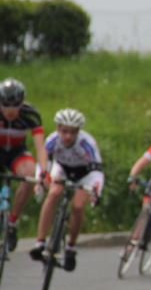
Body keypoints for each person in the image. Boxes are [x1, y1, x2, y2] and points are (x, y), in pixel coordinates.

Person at [28, 109, 104, 272]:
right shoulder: (53, 140)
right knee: (54, 193)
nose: (68, 136)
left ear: (78, 131)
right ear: (58, 129)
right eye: (64, 131)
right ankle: (40, 242)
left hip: (86, 174)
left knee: (77, 206)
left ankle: (71, 247)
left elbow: (97, 170)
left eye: (73, 132)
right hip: (62, 169)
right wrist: (40, 180)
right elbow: (43, 164)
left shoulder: (86, 143)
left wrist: (96, 191)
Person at [0, 78, 48, 252]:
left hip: (16, 152)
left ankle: (12, 222)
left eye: (15, 105)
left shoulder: (30, 114)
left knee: (29, 175)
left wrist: (42, 173)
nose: (10, 110)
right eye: (5, 105)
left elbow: (40, 148)